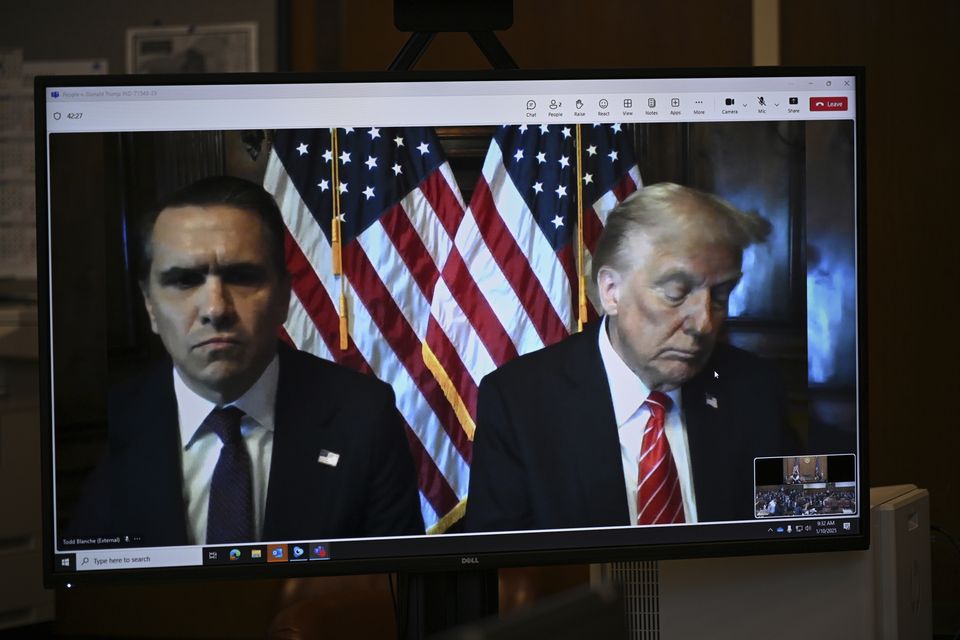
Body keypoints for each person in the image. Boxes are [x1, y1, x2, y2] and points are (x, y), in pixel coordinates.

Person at [70, 176, 424, 546]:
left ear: (284, 296)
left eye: (241, 277)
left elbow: (390, 589)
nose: (215, 309)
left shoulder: (363, 417)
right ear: (149, 307)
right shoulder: (110, 421)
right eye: (185, 281)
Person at [464, 183, 798, 532]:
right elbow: (503, 570)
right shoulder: (519, 402)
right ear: (611, 292)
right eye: (676, 293)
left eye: (721, 294)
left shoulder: (755, 388)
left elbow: (806, 534)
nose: (704, 322)